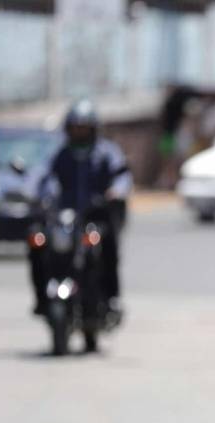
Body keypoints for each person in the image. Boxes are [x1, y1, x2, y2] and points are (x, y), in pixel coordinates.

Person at [30, 98, 132, 318]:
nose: (79, 132)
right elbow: (43, 176)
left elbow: (121, 176)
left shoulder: (106, 152)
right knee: (37, 241)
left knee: (107, 247)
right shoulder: (61, 154)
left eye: (83, 128)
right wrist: (38, 194)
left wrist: (116, 191)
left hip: (96, 216)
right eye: (75, 128)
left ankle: (112, 298)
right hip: (64, 218)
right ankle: (41, 298)